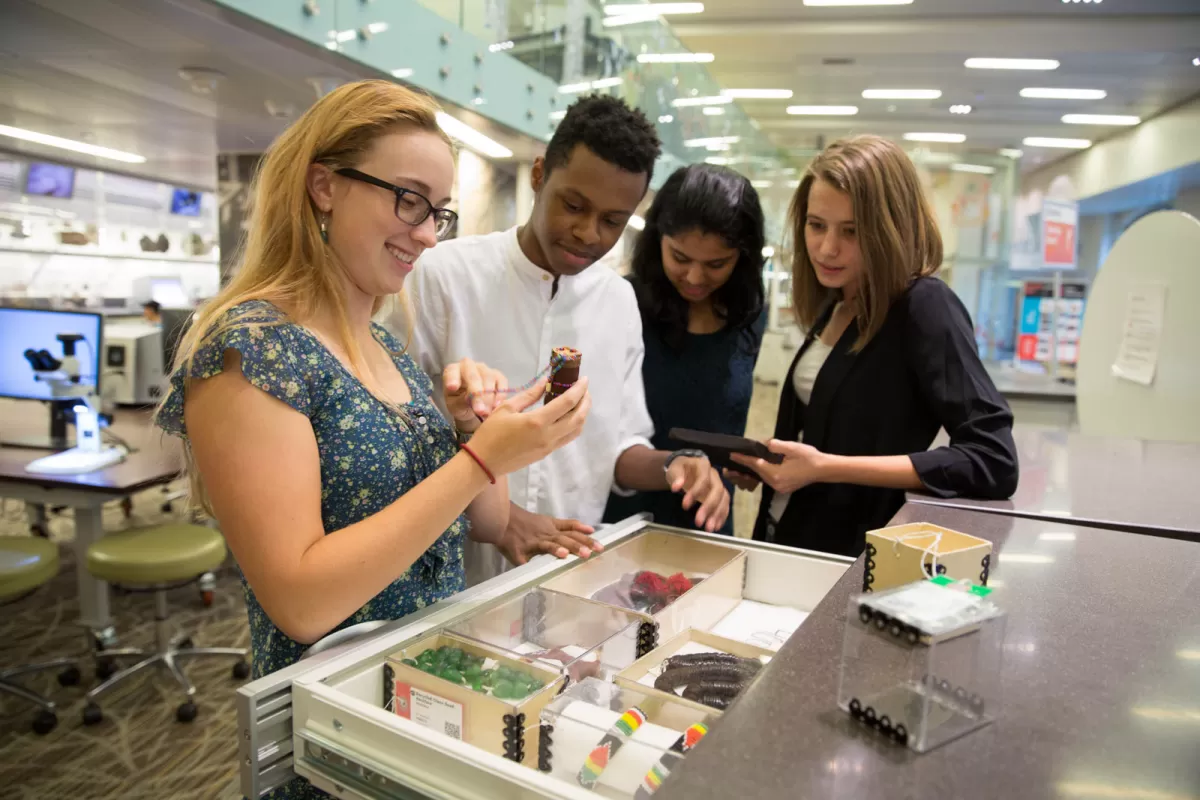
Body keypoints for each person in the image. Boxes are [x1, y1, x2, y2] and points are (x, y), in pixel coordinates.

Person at [155, 80, 589, 799]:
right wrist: (481, 458)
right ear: (324, 185)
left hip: (430, 700)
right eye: (407, 199)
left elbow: (480, 521)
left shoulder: (386, 346)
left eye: (438, 213)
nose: (425, 232)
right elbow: (299, 599)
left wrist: (474, 430)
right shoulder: (250, 351)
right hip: (336, 730)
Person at [405, 94, 731, 586]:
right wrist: (505, 518)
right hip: (451, 572)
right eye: (573, 205)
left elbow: (620, 448)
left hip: (568, 572)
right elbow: (398, 440)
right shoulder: (441, 275)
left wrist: (677, 465)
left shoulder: (619, 302)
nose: (587, 233)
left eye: (612, 221)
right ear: (539, 176)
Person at [730, 135, 1018, 557]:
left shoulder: (925, 306)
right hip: (790, 535)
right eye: (816, 225)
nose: (828, 248)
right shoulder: (841, 302)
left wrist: (826, 468)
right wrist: (776, 464)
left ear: (891, 227)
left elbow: (994, 459)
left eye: (852, 231)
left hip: (855, 554)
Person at [603, 164, 767, 534]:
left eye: (716, 264)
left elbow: (722, 417)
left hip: (708, 520)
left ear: (743, 258)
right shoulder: (621, 304)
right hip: (625, 521)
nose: (695, 278)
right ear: (657, 238)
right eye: (680, 258)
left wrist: (745, 464)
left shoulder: (750, 316)